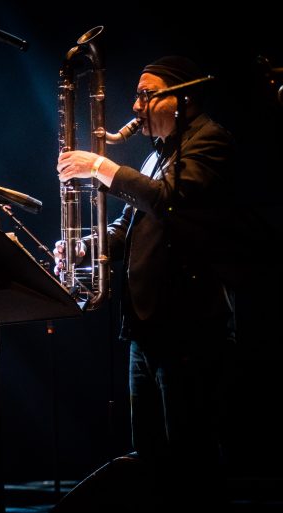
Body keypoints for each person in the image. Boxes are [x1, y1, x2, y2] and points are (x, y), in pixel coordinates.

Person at [54, 56, 236, 511]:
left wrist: (101, 167)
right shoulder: (159, 154)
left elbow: (171, 202)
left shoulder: (210, 141)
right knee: (151, 453)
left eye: (146, 94)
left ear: (183, 98)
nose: (136, 106)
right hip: (147, 327)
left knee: (191, 455)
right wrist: (84, 248)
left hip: (190, 326)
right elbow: (128, 225)